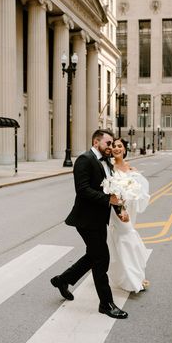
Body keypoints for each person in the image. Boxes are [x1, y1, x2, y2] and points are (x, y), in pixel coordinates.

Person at [50, 129, 128, 319]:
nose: (111, 147)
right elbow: (82, 190)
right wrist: (108, 200)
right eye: (108, 143)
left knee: (93, 256)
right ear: (96, 142)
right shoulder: (84, 160)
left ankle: (63, 279)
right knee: (101, 258)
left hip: (99, 219)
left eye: (112, 144)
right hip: (85, 219)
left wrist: (119, 207)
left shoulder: (106, 161)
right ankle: (106, 304)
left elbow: (111, 189)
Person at [107, 138, 151, 293]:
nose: (116, 148)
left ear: (125, 150)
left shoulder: (132, 169)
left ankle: (128, 273)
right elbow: (109, 191)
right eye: (114, 146)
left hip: (129, 208)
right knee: (127, 236)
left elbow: (139, 190)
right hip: (116, 209)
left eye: (120, 146)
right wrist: (120, 208)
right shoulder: (108, 168)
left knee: (123, 238)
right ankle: (134, 279)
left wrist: (132, 193)